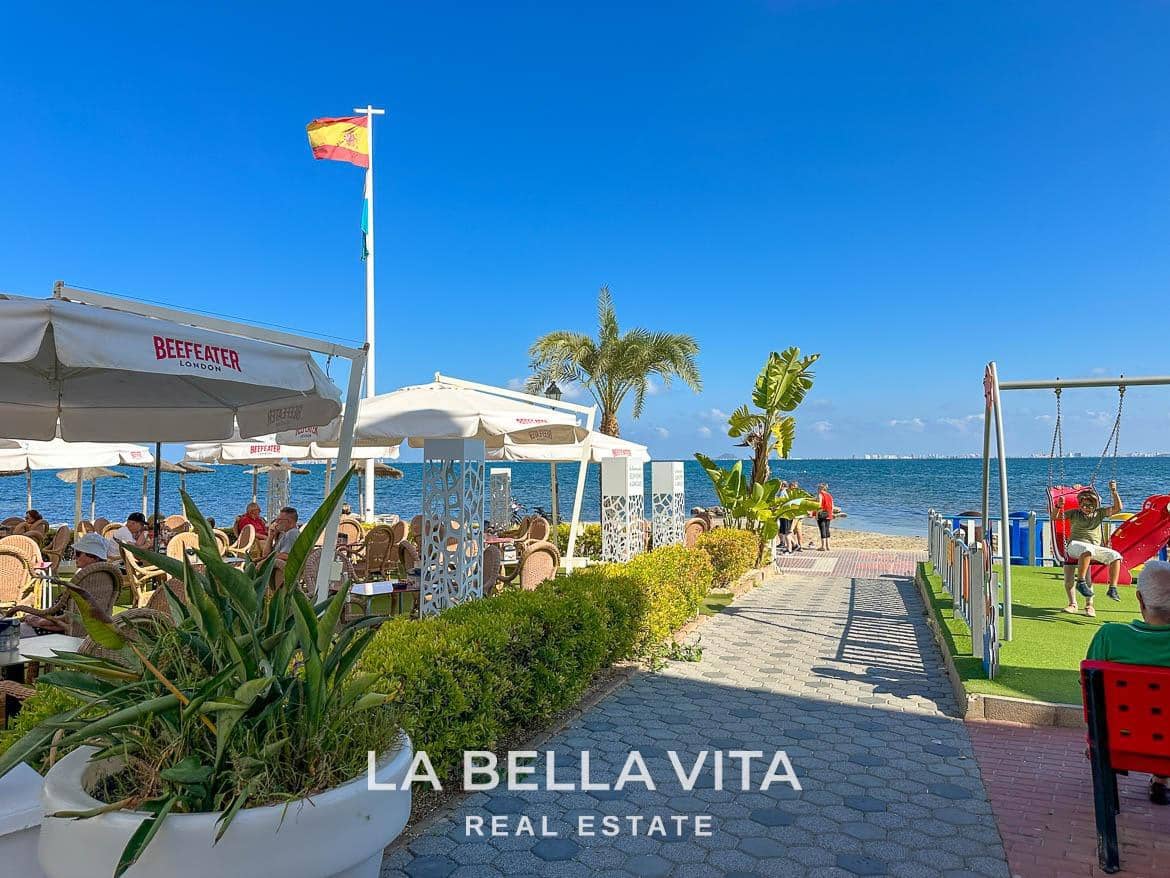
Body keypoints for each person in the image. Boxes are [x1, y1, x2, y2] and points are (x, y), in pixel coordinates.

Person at [1086, 559, 1170, 805]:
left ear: (1140, 600)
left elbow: (1088, 691)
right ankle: (1161, 780)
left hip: (1118, 743)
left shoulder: (1109, 637)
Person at [1054, 482, 1123, 614]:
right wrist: (1058, 506)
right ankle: (1076, 596)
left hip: (1092, 548)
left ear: (1095, 505)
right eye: (1084, 505)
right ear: (1079, 505)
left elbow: (1118, 508)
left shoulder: (1100, 513)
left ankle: (1112, 589)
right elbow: (1055, 517)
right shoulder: (1074, 513)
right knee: (1072, 575)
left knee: (1116, 556)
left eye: (1090, 506)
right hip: (1074, 546)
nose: (1087, 508)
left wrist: (1114, 491)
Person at [268, 506, 301, 584]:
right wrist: (270, 537)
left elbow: (285, 555)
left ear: (289, 521)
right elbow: (266, 554)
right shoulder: (284, 534)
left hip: (282, 570)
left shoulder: (291, 534)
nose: (277, 522)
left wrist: (266, 560)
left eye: (279, 520)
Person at [815, 483, 836, 551]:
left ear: (821, 488)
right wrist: (831, 513)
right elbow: (832, 506)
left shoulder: (820, 495)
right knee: (827, 529)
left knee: (822, 529)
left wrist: (816, 514)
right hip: (828, 513)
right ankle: (828, 546)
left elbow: (819, 505)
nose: (817, 489)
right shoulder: (829, 495)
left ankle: (823, 546)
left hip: (822, 513)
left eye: (818, 488)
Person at [788, 482, 804, 551]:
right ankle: (799, 545)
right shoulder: (799, 493)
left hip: (796, 514)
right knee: (798, 530)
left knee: (790, 530)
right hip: (800, 514)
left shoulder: (793, 494)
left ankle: (795, 545)